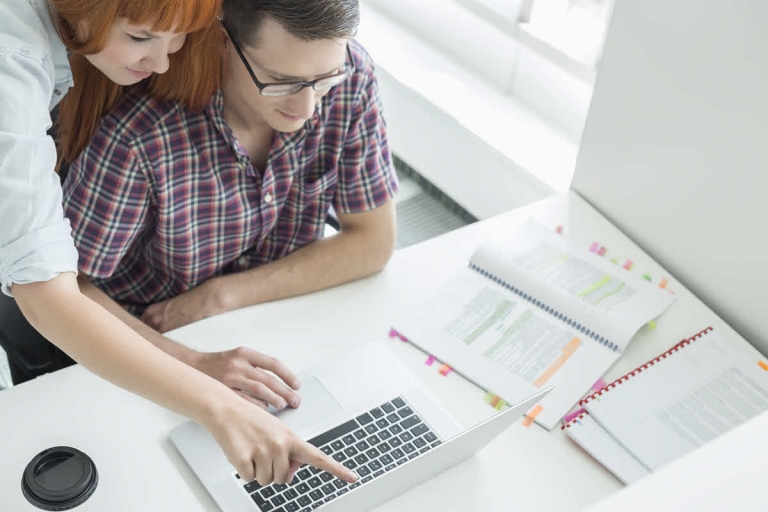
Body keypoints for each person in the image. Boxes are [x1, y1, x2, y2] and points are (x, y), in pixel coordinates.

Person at [0, 0, 355, 486]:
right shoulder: (12, 71)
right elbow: (47, 294)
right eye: (143, 38)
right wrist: (221, 407)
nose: (164, 64)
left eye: (181, 37)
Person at [61, 0, 397, 359]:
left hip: (280, 323)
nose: (307, 109)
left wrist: (224, 295)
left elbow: (373, 242)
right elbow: (70, 288)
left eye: (325, 80)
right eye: (282, 81)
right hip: (151, 340)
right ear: (222, 41)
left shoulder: (353, 78)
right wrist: (189, 363)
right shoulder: (140, 139)